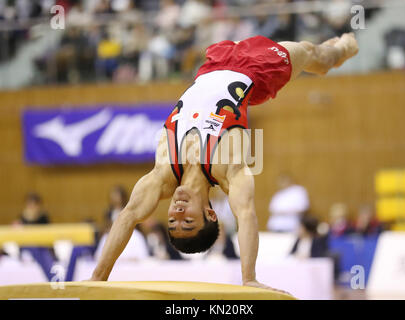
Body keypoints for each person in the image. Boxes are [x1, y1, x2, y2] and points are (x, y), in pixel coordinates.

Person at [90, 33, 359, 292]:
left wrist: (98, 277)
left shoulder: (162, 175)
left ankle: (330, 56)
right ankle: (340, 51)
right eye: (187, 223)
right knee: (312, 53)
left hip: (212, 65)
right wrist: (249, 278)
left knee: (309, 52)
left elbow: (127, 216)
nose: (177, 214)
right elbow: (246, 215)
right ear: (210, 214)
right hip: (258, 71)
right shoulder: (228, 170)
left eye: (172, 222)